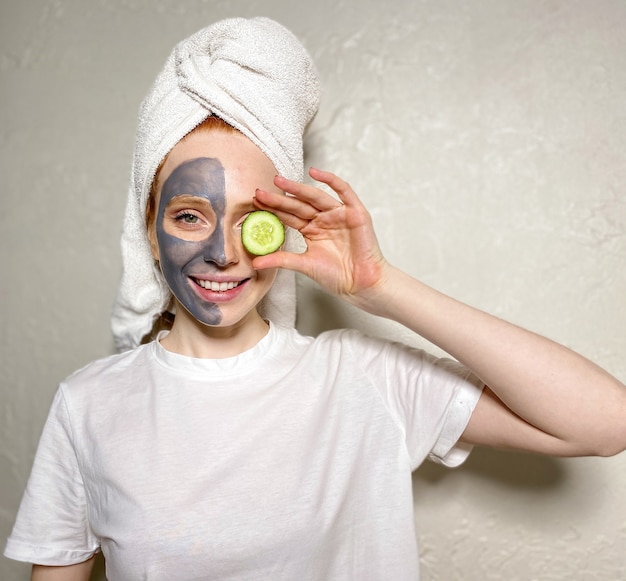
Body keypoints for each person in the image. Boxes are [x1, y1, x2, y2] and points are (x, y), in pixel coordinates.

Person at [4, 16, 625, 581]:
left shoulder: (362, 378)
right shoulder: (89, 405)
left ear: (288, 223)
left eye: (253, 219)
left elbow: (606, 423)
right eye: (190, 216)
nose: (223, 252)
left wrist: (381, 287)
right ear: (149, 229)